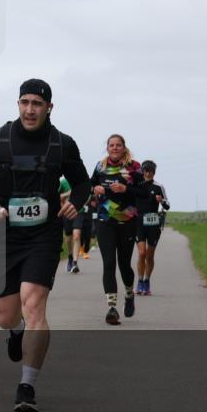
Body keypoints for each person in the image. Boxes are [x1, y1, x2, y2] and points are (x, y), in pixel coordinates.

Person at [0, 79, 90, 412]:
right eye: (25, 102)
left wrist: (76, 202)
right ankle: (16, 331)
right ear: (17, 104)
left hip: (43, 234)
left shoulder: (62, 144)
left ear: (49, 107)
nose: (30, 109)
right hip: (4, 233)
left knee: (33, 304)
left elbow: (82, 183)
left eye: (37, 103)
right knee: (6, 315)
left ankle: (27, 385)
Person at [90, 134, 143, 325]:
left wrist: (125, 189)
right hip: (105, 220)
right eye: (111, 145)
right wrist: (95, 189)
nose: (114, 148)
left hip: (127, 220)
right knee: (109, 263)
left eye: (118, 145)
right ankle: (111, 307)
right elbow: (90, 185)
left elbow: (143, 192)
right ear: (107, 148)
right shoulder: (100, 166)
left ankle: (129, 294)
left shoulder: (134, 167)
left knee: (124, 264)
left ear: (124, 147)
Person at [135, 160, 170, 296]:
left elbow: (167, 205)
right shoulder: (137, 185)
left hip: (153, 223)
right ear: (142, 171)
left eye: (150, 171)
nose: (148, 173)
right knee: (141, 253)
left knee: (150, 255)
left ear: (154, 172)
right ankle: (139, 281)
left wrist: (161, 201)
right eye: (146, 170)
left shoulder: (158, 186)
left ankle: (147, 281)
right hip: (139, 222)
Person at [59, 176, 82, 273]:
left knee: (76, 236)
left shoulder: (81, 180)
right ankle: (70, 257)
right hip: (67, 212)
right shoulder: (63, 182)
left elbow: (87, 195)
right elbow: (59, 196)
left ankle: (75, 263)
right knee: (68, 239)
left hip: (78, 211)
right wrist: (69, 193)